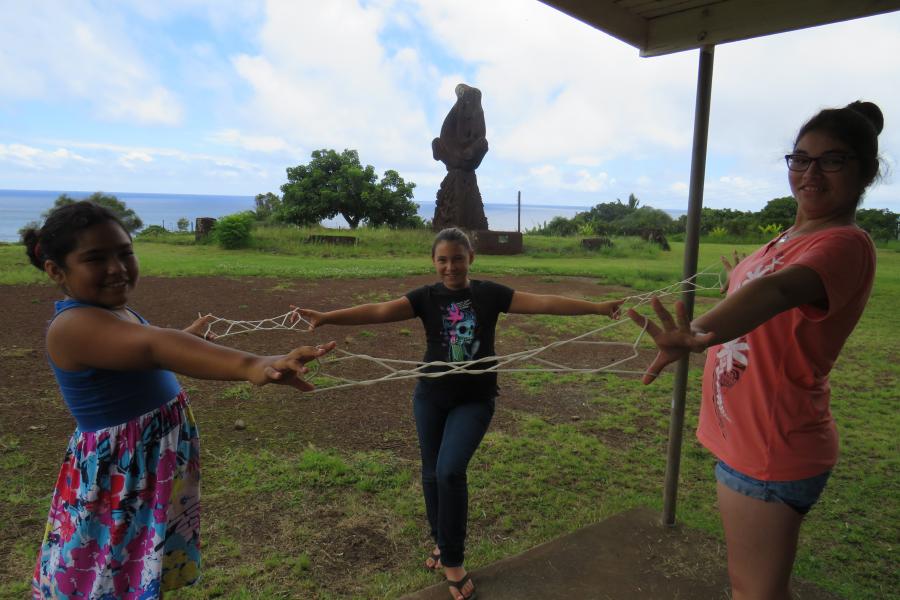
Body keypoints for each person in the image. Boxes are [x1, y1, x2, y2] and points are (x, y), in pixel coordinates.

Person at [627, 101, 882, 600]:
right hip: (750, 438)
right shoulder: (793, 236)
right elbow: (765, 298)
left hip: (771, 446)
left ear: (867, 172)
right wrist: (738, 280)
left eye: (832, 161)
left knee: (754, 593)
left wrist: (696, 330)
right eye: (801, 159)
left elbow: (778, 291)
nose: (810, 173)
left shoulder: (845, 242)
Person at [23, 201, 336, 599]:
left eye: (125, 252)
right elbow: (154, 346)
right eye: (96, 258)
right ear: (56, 270)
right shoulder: (72, 325)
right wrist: (255, 364)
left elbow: (141, 352)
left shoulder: (115, 313)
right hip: (118, 477)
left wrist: (186, 338)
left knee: (129, 569)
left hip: (141, 470)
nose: (117, 268)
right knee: (100, 573)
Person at [294, 227, 623, 600]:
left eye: (458, 259)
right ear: (434, 262)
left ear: (471, 259)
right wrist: (327, 316)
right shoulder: (425, 297)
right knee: (432, 473)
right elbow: (379, 310)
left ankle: (452, 559)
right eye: (443, 260)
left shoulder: (490, 294)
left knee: (450, 471)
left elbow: (544, 303)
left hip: (475, 399)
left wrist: (597, 307)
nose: (450, 267)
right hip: (430, 397)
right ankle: (441, 541)